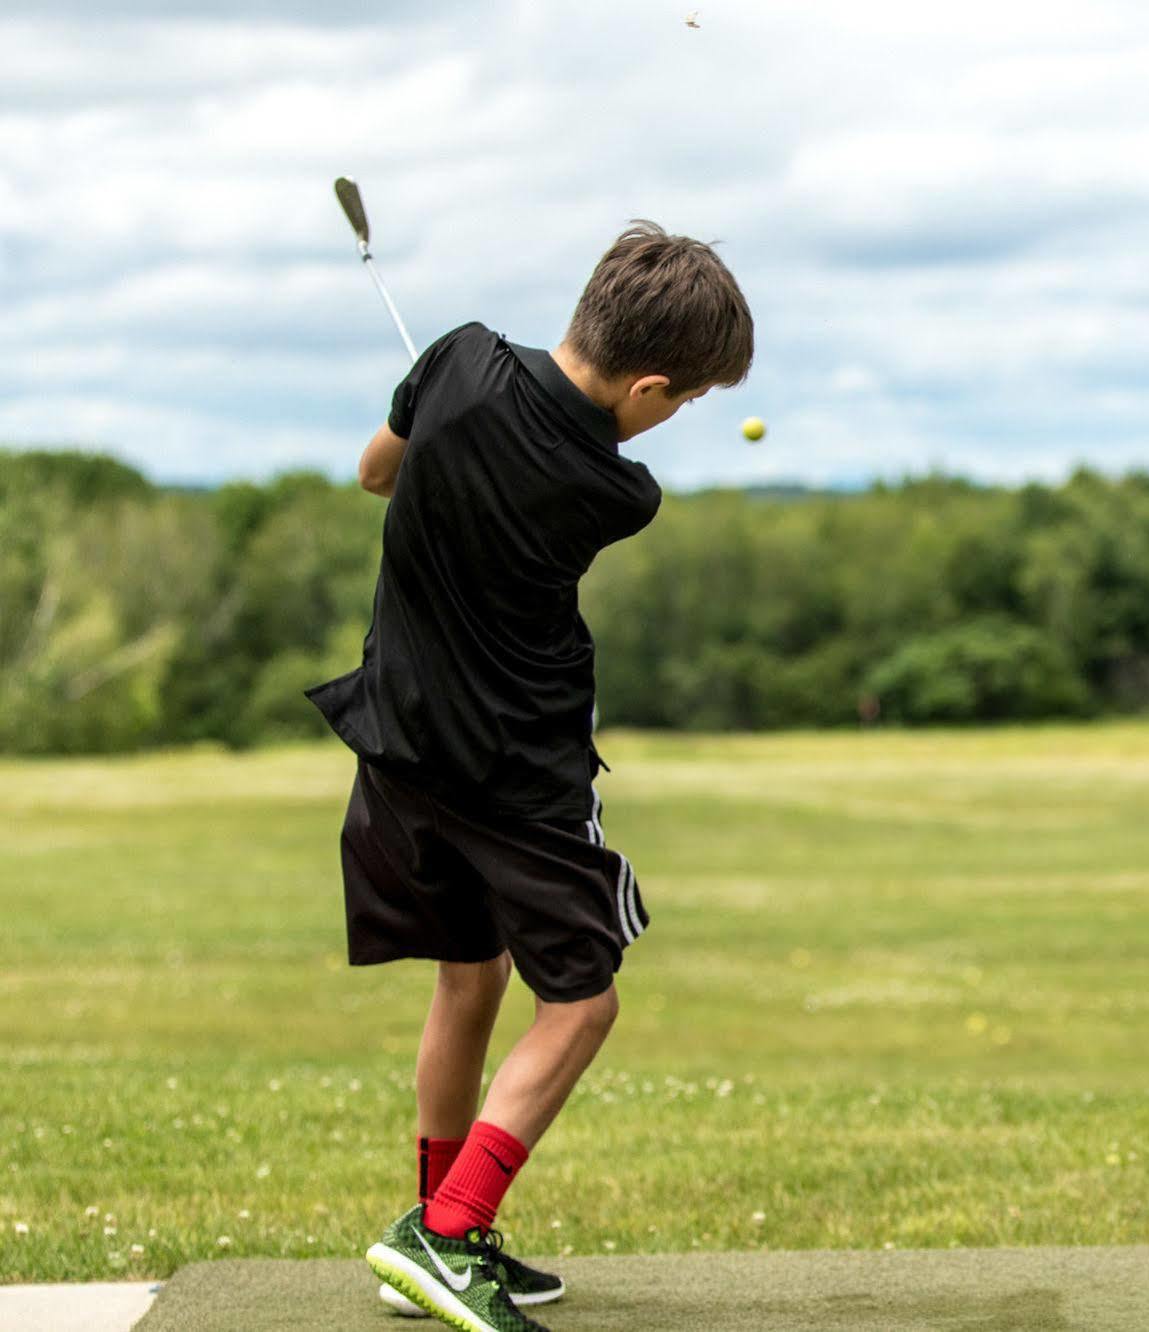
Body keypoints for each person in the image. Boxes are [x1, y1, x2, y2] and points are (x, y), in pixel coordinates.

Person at [305, 222, 753, 1332]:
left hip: (399, 751)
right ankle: (449, 1235)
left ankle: (435, 1233)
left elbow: (373, 474)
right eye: (683, 399)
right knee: (583, 1003)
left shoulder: (455, 357)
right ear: (648, 384)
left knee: (470, 978)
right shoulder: (617, 492)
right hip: (519, 781)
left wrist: (431, 416)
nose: (678, 416)